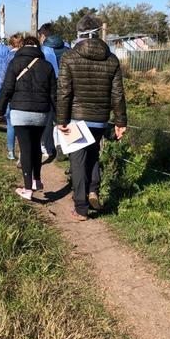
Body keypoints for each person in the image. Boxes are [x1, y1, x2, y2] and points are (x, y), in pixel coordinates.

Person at [57, 14, 127, 221]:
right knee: (94, 154)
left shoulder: (69, 58)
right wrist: (121, 122)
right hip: (100, 118)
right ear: (99, 33)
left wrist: (61, 119)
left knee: (78, 161)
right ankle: (93, 190)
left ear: (78, 34)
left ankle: (80, 207)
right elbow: (118, 94)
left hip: (76, 118)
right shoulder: (111, 59)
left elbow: (63, 92)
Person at [0, 36, 57, 201]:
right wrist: (60, 117)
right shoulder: (47, 66)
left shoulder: (14, 63)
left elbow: (7, 88)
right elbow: (54, 94)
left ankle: (27, 188)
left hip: (20, 111)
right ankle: (37, 179)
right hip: (41, 112)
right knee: (36, 146)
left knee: (25, 149)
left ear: (22, 47)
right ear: (38, 47)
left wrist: (0, 109)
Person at [38, 23, 69, 159]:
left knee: (48, 117)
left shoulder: (44, 49)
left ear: (43, 35)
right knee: (64, 117)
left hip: (51, 87)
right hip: (67, 86)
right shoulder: (67, 46)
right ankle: (65, 145)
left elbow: (45, 71)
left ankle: (49, 148)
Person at [0, 33, 24, 160]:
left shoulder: (8, 57)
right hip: (25, 95)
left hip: (11, 95)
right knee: (23, 127)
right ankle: (24, 153)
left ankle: (11, 152)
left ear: (11, 44)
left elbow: (0, 79)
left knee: (11, 124)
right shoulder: (28, 57)